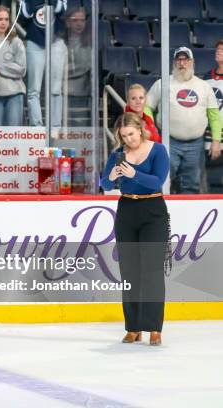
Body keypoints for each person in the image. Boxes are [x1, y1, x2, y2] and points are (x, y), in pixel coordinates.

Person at [100, 112, 170, 346]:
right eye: (123, 136)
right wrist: (110, 177)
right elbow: (105, 184)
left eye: (130, 134)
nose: (128, 139)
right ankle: (133, 327)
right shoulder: (118, 155)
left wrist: (134, 174)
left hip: (153, 210)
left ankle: (154, 328)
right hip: (127, 210)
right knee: (129, 272)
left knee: (151, 270)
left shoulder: (158, 150)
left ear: (139, 129)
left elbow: (158, 181)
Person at [146, 47, 222, 194]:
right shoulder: (162, 83)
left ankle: (188, 216)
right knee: (163, 181)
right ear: (174, 63)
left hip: (196, 144)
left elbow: (214, 117)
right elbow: (147, 108)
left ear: (192, 62)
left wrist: (216, 141)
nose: (182, 63)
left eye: (185, 59)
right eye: (179, 60)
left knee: (191, 184)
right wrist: (151, 129)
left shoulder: (204, 86)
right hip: (169, 142)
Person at [21, 0, 67, 127]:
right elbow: (22, 17)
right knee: (33, 89)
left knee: (56, 89)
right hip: (35, 42)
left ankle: (55, 126)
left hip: (56, 41)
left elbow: (63, 12)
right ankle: (37, 127)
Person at [203, 40, 223, 190]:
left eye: (222, 50)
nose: (218, 51)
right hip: (207, 137)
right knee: (209, 181)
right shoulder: (205, 78)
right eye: (217, 49)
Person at [62, 7, 91, 99]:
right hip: (63, 90)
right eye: (75, 20)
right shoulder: (59, 43)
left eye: (82, 20)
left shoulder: (90, 44)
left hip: (84, 91)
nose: (79, 24)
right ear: (68, 23)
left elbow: (87, 67)